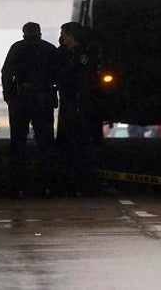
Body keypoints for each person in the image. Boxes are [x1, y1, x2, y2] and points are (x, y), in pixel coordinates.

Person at [0, 22, 59, 199]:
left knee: (18, 142)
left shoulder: (17, 48)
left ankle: (17, 187)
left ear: (24, 33)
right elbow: (59, 73)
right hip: (43, 98)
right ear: (39, 33)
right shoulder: (49, 49)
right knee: (46, 143)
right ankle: (47, 186)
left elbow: (6, 73)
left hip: (21, 99)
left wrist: (9, 95)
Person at [56, 22, 102, 196]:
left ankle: (83, 183)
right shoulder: (68, 53)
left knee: (80, 144)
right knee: (68, 144)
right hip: (70, 105)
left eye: (64, 34)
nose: (63, 37)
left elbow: (82, 81)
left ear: (72, 36)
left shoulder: (83, 56)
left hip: (78, 106)